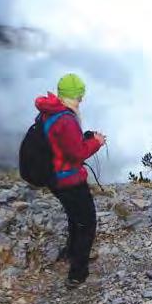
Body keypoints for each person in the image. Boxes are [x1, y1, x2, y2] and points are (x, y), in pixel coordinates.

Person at [35, 73, 106, 289]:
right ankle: (77, 273)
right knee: (87, 222)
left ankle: (71, 252)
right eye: (79, 96)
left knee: (74, 216)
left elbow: (61, 144)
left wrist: (84, 136)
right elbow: (77, 154)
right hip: (69, 180)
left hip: (54, 178)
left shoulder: (49, 113)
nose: (81, 100)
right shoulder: (66, 119)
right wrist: (97, 142)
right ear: (72, 96)